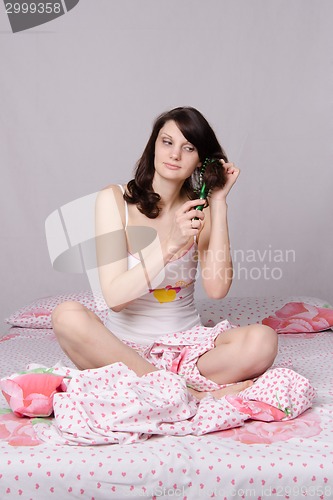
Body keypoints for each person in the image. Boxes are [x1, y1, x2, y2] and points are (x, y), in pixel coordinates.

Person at [52, 106, 278, 400]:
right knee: (66, 316)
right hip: (119, 349)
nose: (174, 155)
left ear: (201, 160)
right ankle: (187, 392)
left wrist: (219, 202)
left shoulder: (202, 211)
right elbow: (115, 299)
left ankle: (155, 384)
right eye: (167, 142)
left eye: (188, 148)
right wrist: (170, 245)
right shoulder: (113, 201)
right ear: (153, 146)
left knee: (263, 341)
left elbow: (217, 288)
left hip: (187, 351)